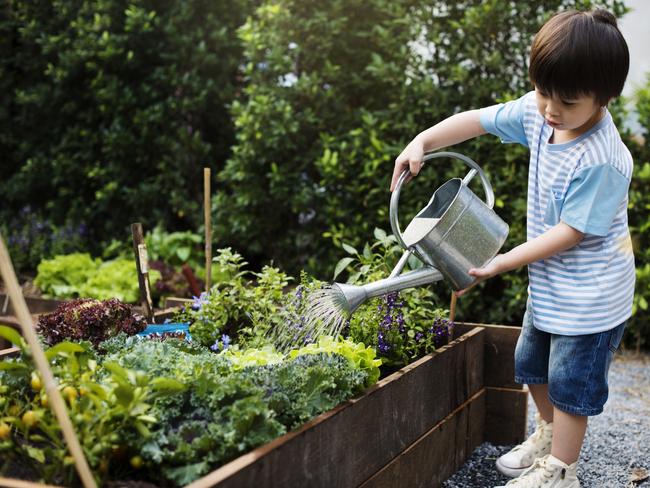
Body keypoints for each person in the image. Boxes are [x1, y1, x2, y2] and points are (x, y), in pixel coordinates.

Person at [391, 9, 633, 488]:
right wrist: (423, 140)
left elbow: (572, 232)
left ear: (604, 97)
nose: (550, 108)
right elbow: (478, 121)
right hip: (550, 285)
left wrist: (504, 259)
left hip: (591, 299)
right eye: (543, 92)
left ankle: (563, 471)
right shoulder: (540, 113)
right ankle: (548, 435)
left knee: (570, 387)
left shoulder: (603, 159)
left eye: (566, 100)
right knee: (531, 363)